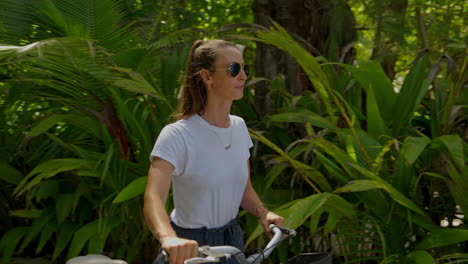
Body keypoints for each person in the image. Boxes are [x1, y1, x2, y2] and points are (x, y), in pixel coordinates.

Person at [144, 39, 284, 264]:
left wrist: (263, 213)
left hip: (232, 242)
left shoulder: (238, 127)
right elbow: (153, 198)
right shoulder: (177, 135)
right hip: (189, 247)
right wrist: (168, 238)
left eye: (244, 68)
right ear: (207, 76)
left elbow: (243, 188)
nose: (243, 76)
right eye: (233, 69)